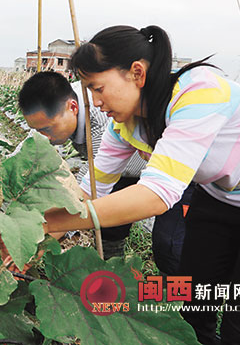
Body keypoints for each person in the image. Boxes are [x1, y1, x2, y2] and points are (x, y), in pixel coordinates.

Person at [43, 25, 240, 345]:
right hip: (222, 198)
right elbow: (91, 188)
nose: (95, 102)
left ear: (136, 73)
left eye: (98, 88)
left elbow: (157, 195)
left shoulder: (198, 93)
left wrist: (57, 221)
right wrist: (34, 230)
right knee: (193, 304)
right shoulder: (125, 125)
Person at [18, 71, 194, 273]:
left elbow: (90, 186)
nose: (44, 137)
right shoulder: (55, 107)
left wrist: (41, 235)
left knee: (168, 242)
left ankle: (173, 296)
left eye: (47, 130)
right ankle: (116, 272)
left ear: (73, 108)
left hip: (169, 173)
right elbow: (27, 152)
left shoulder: (103, 114)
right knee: (109, 227)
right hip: (120, 171)